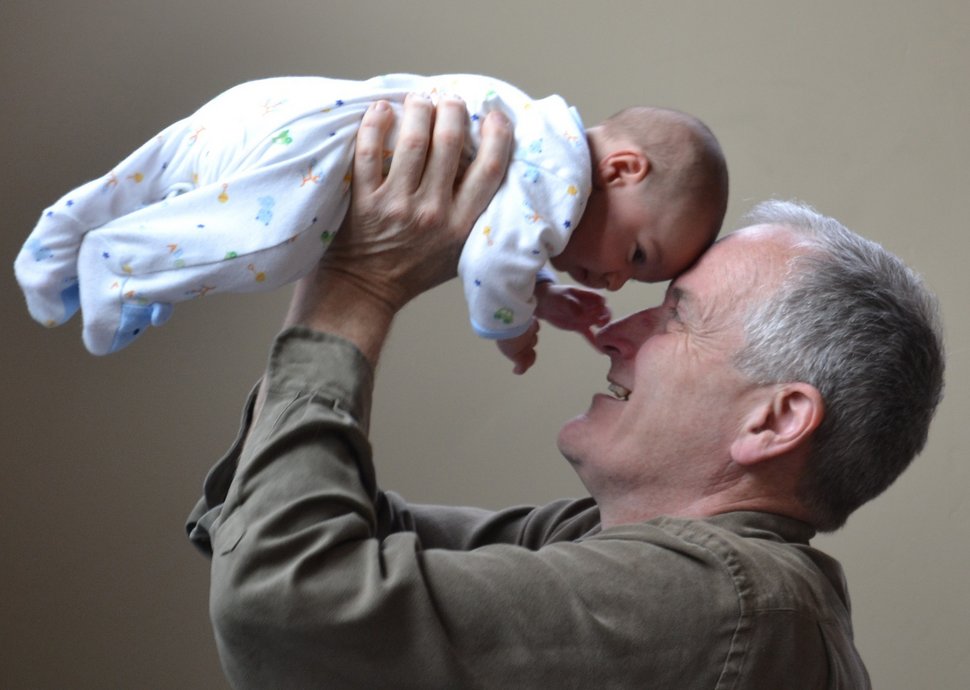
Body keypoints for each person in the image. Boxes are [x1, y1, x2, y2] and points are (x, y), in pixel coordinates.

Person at [186, 97, 944, 688]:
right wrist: (352, 250)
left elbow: (280, 601)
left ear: (774, 420)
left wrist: (356, 284)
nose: (615, 332)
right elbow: (274, 521)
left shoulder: (722, 599)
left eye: (675, 315)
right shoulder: (612, 543)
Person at [13, 74, 727, 371]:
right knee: (275, 249)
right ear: (623, 169)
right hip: (312, 156)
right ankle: (120, 265)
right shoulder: (559, 173)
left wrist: (543, 291)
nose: (614, 279)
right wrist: (512, 328)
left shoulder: (538, 135)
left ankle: (63, 246)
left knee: (161, 177)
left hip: (277, 111)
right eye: (638, 255)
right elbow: (487, 268)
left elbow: (502, 237)